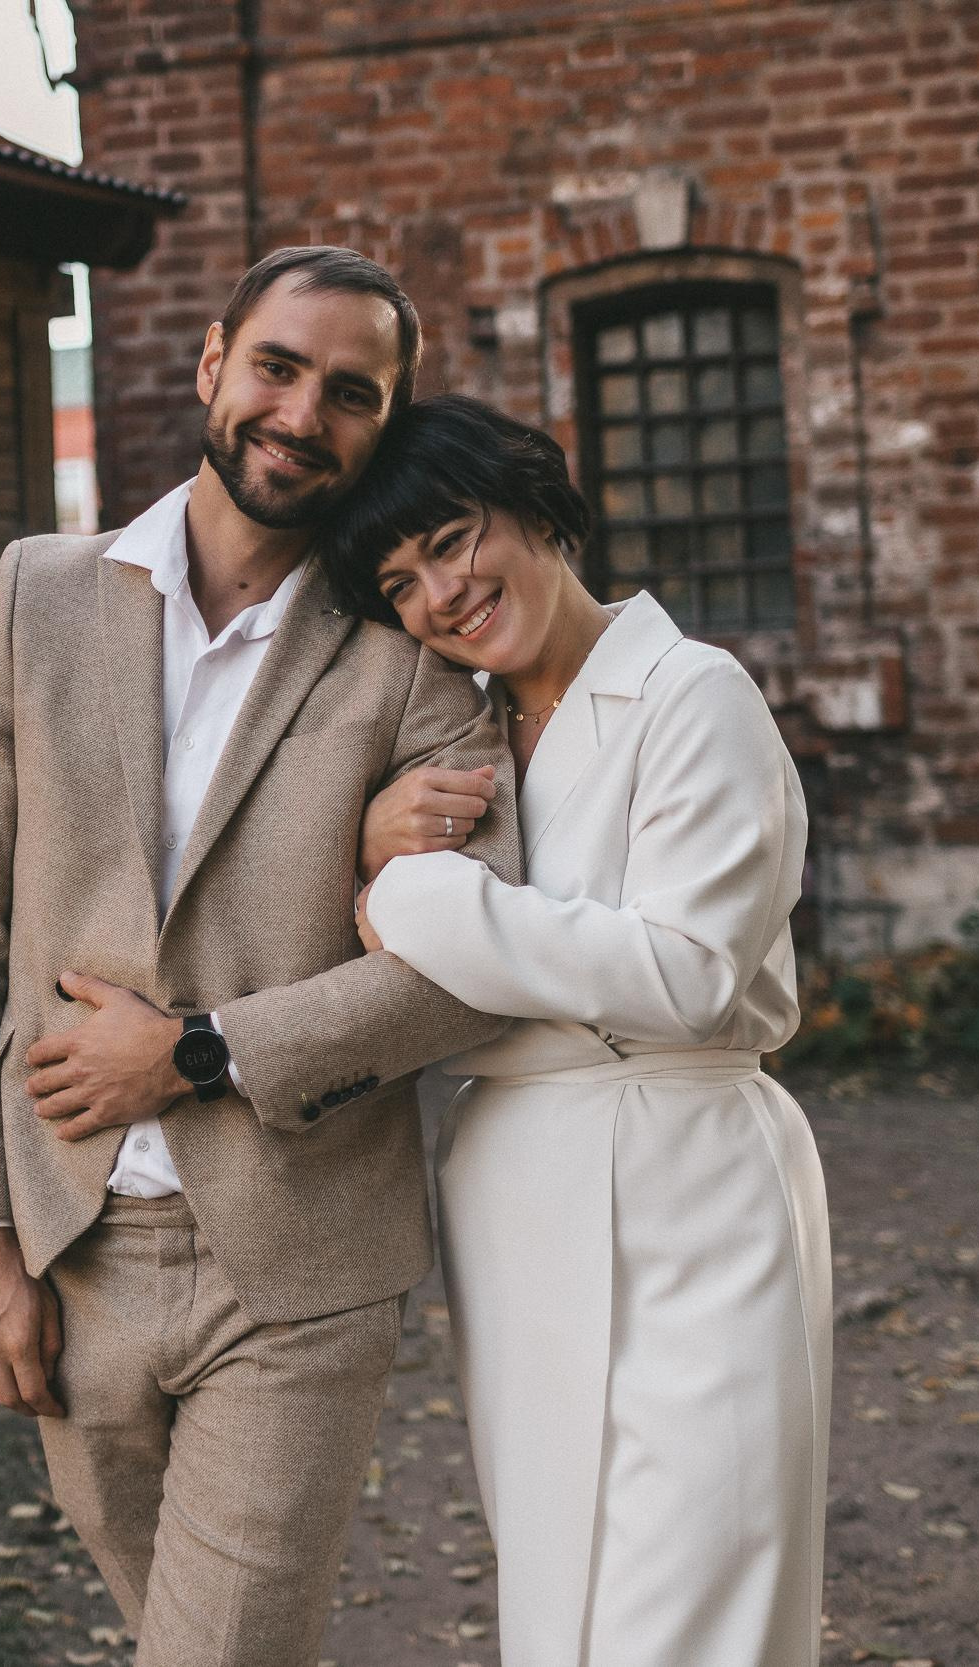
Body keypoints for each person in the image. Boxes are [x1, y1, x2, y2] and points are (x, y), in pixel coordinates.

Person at [0, 248, 520, 1666]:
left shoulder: (415, 642)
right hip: (72, 1248)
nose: (304, 412)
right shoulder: (36, 595)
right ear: (212, 364)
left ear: (387, 422)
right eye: (280, 367)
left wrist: (199, 1049)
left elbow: (470, 957)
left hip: (302, 1255)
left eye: (352, 393)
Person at [329, 394, 832, 1667]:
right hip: (511, 1182)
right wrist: (379, 843)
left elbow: (690, 970)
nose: (441, 593)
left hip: (691, 1179)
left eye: (451, 538)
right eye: (400, 581)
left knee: (694, 1591)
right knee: (562, 1601)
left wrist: (425, 896)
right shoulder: (460, 743)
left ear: (534, 504)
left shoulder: (691, 692)